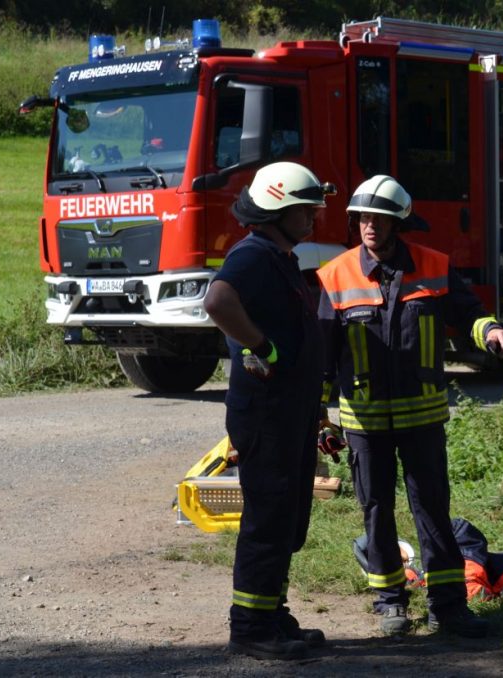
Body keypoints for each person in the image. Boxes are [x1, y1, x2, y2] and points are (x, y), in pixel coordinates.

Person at [316, 175, 503, 638]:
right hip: (365, 422)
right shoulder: (336, 274)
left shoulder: (434, 266)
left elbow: (469, 313)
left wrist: (490, 330)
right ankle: (390, 602)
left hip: (422, 419)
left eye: (378, 218)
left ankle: (448, 606)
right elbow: (323, 352)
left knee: (432, 510)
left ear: (397, 222)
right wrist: (317, 414)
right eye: (362, 218)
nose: (369, 226)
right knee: (376, 510)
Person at [203, 161, 336, 660]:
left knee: (287, 520)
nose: (313, 218)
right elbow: (218, 302)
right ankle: (251, 629)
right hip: (267, 414)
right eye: (305, 211)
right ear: (277, 212)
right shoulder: (254, 255)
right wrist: (262, 347)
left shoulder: (278, 257)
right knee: (268, 519)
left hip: (289, 413)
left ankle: (271, 614)